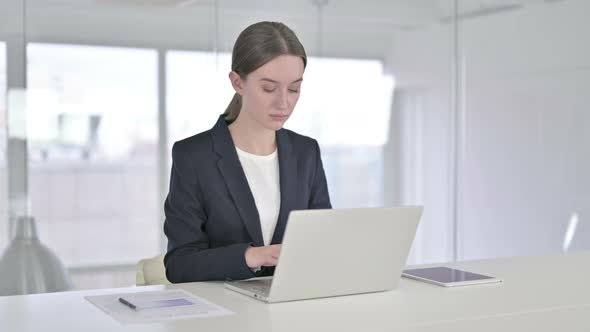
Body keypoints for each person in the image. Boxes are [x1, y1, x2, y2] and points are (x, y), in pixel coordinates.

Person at [163, 21, 331, 283]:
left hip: (293, 308)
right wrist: (252, 256)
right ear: (238, 83)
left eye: (294, 88)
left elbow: (322, 241)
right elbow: (179, 264)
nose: (284, 102)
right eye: (268, 88)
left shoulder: (306, 152)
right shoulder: (193, 156)